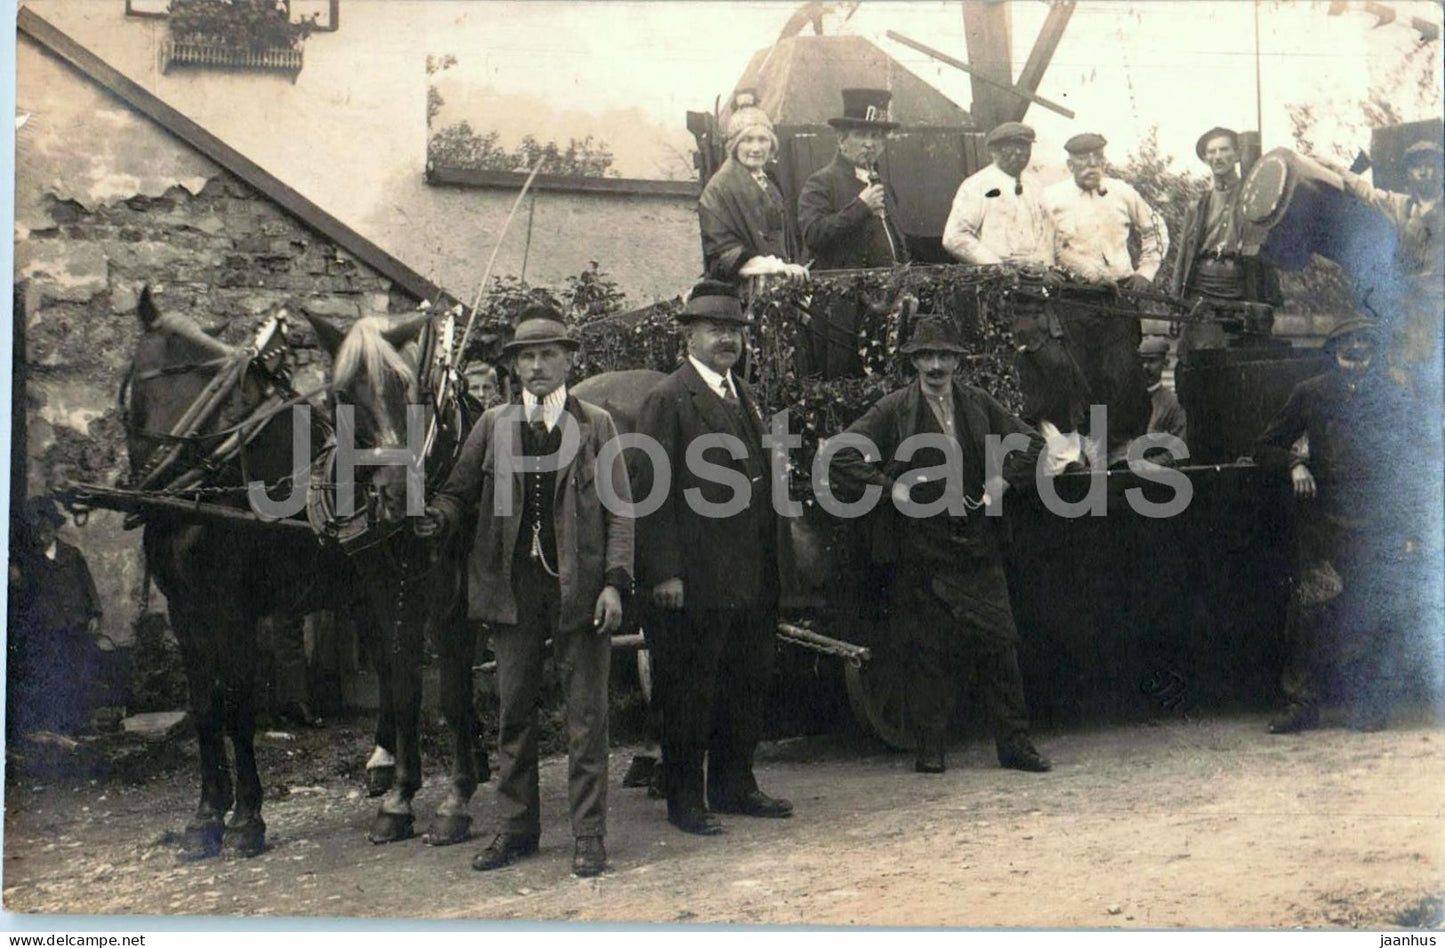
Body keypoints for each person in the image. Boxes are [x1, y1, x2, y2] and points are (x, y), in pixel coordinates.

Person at [420, 305, 633, 878]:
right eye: (526, 357)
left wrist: (614, 584)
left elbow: (620, 512)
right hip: (511, 593)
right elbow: (458, 494)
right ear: (513, 367)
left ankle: (588, 836)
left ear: (569, 360)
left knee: (587, 720)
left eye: (548, 355)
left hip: (580, 593)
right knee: (514, 715)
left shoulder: (597, 425)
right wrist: (436, 515)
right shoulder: (493, 426)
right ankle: (516, 830)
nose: (537, 366)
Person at [828, 315, 1052, 775]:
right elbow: (840, 455)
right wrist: (890, 487)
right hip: (922, 546)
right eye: (926, 356)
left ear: (956, 361)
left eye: (944, 356)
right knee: (928, 650)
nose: (935, 365)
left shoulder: (978, 404)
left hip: (977, 541)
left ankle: (1015, 745)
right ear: (913, 362)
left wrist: (1001, 482)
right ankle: (930, 748)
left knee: (1000, 645)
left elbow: (1032, 443)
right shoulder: (894, 410)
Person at [631, 280, 792, 836]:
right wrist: (665, 573)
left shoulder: (741, 394)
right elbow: (649, 493)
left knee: (744, 683)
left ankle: (734, 784)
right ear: (689, 336)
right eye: (715, 329)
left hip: (748, 575)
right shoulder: (668, 399)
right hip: (693, 580)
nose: (727, 339)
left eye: (735, 331)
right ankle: (685, 800)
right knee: (687, 691)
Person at [1253, 318, 1423, 734]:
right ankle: (1302, 704)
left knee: (1372, 611)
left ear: (1374, 350)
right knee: (1312, 609)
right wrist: (1295, 464)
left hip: (1377, 520)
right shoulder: (1311, 394)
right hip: (1323, 523)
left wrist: (1410, 528)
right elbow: (1263, 448)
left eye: (1365, 342)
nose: (1357, 349)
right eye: (1348, 342)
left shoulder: (1394, 398)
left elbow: (1414, 463)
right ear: (1334, 350)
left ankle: (1369, 704)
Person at [1043, 132, 1169, 465]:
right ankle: (1084, 451)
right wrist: (1049, 271)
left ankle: (1119, 449)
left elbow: (1156, 229)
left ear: (1104, 159)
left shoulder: (1124, 193)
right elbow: (1041, 243)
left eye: (1096, 157)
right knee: (1081, 376)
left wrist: (1147, 271)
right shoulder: (1051, 198)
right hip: (1073, 300)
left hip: (1118, 298)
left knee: (1123, 374)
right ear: (1069, 164)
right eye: (1082, 159)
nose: (1090, 165)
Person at [6, 497, 114, 738]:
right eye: (37, 530)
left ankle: (80, 722)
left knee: (79, 673)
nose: (42, 534)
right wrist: (15, 577)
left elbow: (88, 586)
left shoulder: (71, 555)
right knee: (53, 675)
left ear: (55, 528)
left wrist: (95, 613)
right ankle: (56, 724)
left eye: (47, 528)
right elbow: (22, 593)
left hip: (76, 625)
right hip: (48, 628)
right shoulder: (29, 562)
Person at [1171, 126, 1283, 354]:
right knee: (1197, 359)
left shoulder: (1255, 198)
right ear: (1204, 158)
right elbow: (1183, 257)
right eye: (1211, 152)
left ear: (1237, 154)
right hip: (1202, 293)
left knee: (1242, 360)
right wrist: (1175, 304)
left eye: (1224, 150)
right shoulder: (1197, 205)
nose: (1218, 157)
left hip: (1241, 290)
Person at [698, 89, 809, 288]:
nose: (756, 148)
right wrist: (776, 267)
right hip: (737, 295)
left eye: (762, 139)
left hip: (775, 289)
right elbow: (723, 254)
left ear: (772, 145)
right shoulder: (719, 189)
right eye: (747, 140)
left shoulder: (770, 185)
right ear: (734, 145)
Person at [797, 88, 910, 271]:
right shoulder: (822, 182)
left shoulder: (884, 187)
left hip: (889, 292)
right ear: (841, 140)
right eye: (860, 135)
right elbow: (813, 235)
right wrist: (861, 207)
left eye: (876, 136)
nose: (869, 143)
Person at [942, 121, 1054, 267]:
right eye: (1011, 147)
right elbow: (954, 237)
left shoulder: (1035, 186)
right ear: (994, 151)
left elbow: (1046, 234)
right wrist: (998, 266)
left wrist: (1043, 266)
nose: (1019, 152)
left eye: (1024, 146)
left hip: (1033, 277)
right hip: (994, 276)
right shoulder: (977, 185)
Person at [1139, 337, 1187, 447]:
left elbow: (1179, 451)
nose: (1145, 367)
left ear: (1165, 364)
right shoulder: (1123, 400)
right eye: (1141, 361)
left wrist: (1147, 464)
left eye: (1152, 361)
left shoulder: (1173, 405)